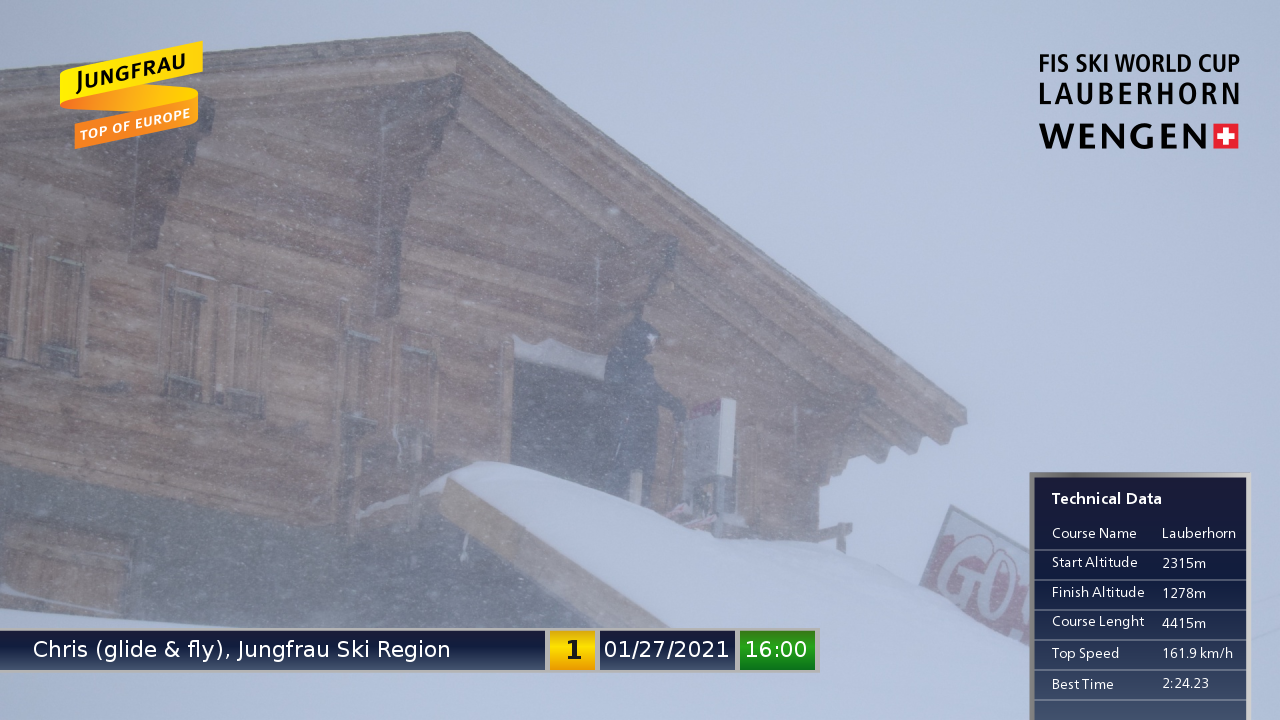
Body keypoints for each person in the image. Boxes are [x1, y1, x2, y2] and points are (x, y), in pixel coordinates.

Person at [601, 317, 685, 505]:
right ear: (639, 338)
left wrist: (674, 404)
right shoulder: (619, 356)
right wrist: (637, 396)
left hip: (646, 424)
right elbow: (616, 386)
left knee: (645, 467)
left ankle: (641, 506)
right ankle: (610, 502)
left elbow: (653, 391)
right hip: (628, 420)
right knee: (623, 464)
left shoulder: (644, 367)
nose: (653, 346)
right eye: (651, 340)